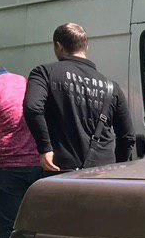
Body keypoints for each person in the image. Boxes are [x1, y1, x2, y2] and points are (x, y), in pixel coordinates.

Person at [24, 23, 135, 173]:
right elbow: (127, 137)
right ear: (86, 47)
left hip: (62, 170)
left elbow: (32, 107)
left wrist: (45, 148)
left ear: (59, 46)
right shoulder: (112, 86)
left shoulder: (44, 73)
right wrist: (116, 168)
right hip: (105, 174)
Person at [0, 49, 43, 238]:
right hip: (36, 167)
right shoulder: (22, 81)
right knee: (34, 230)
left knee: (10, 232)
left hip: (7, 171)